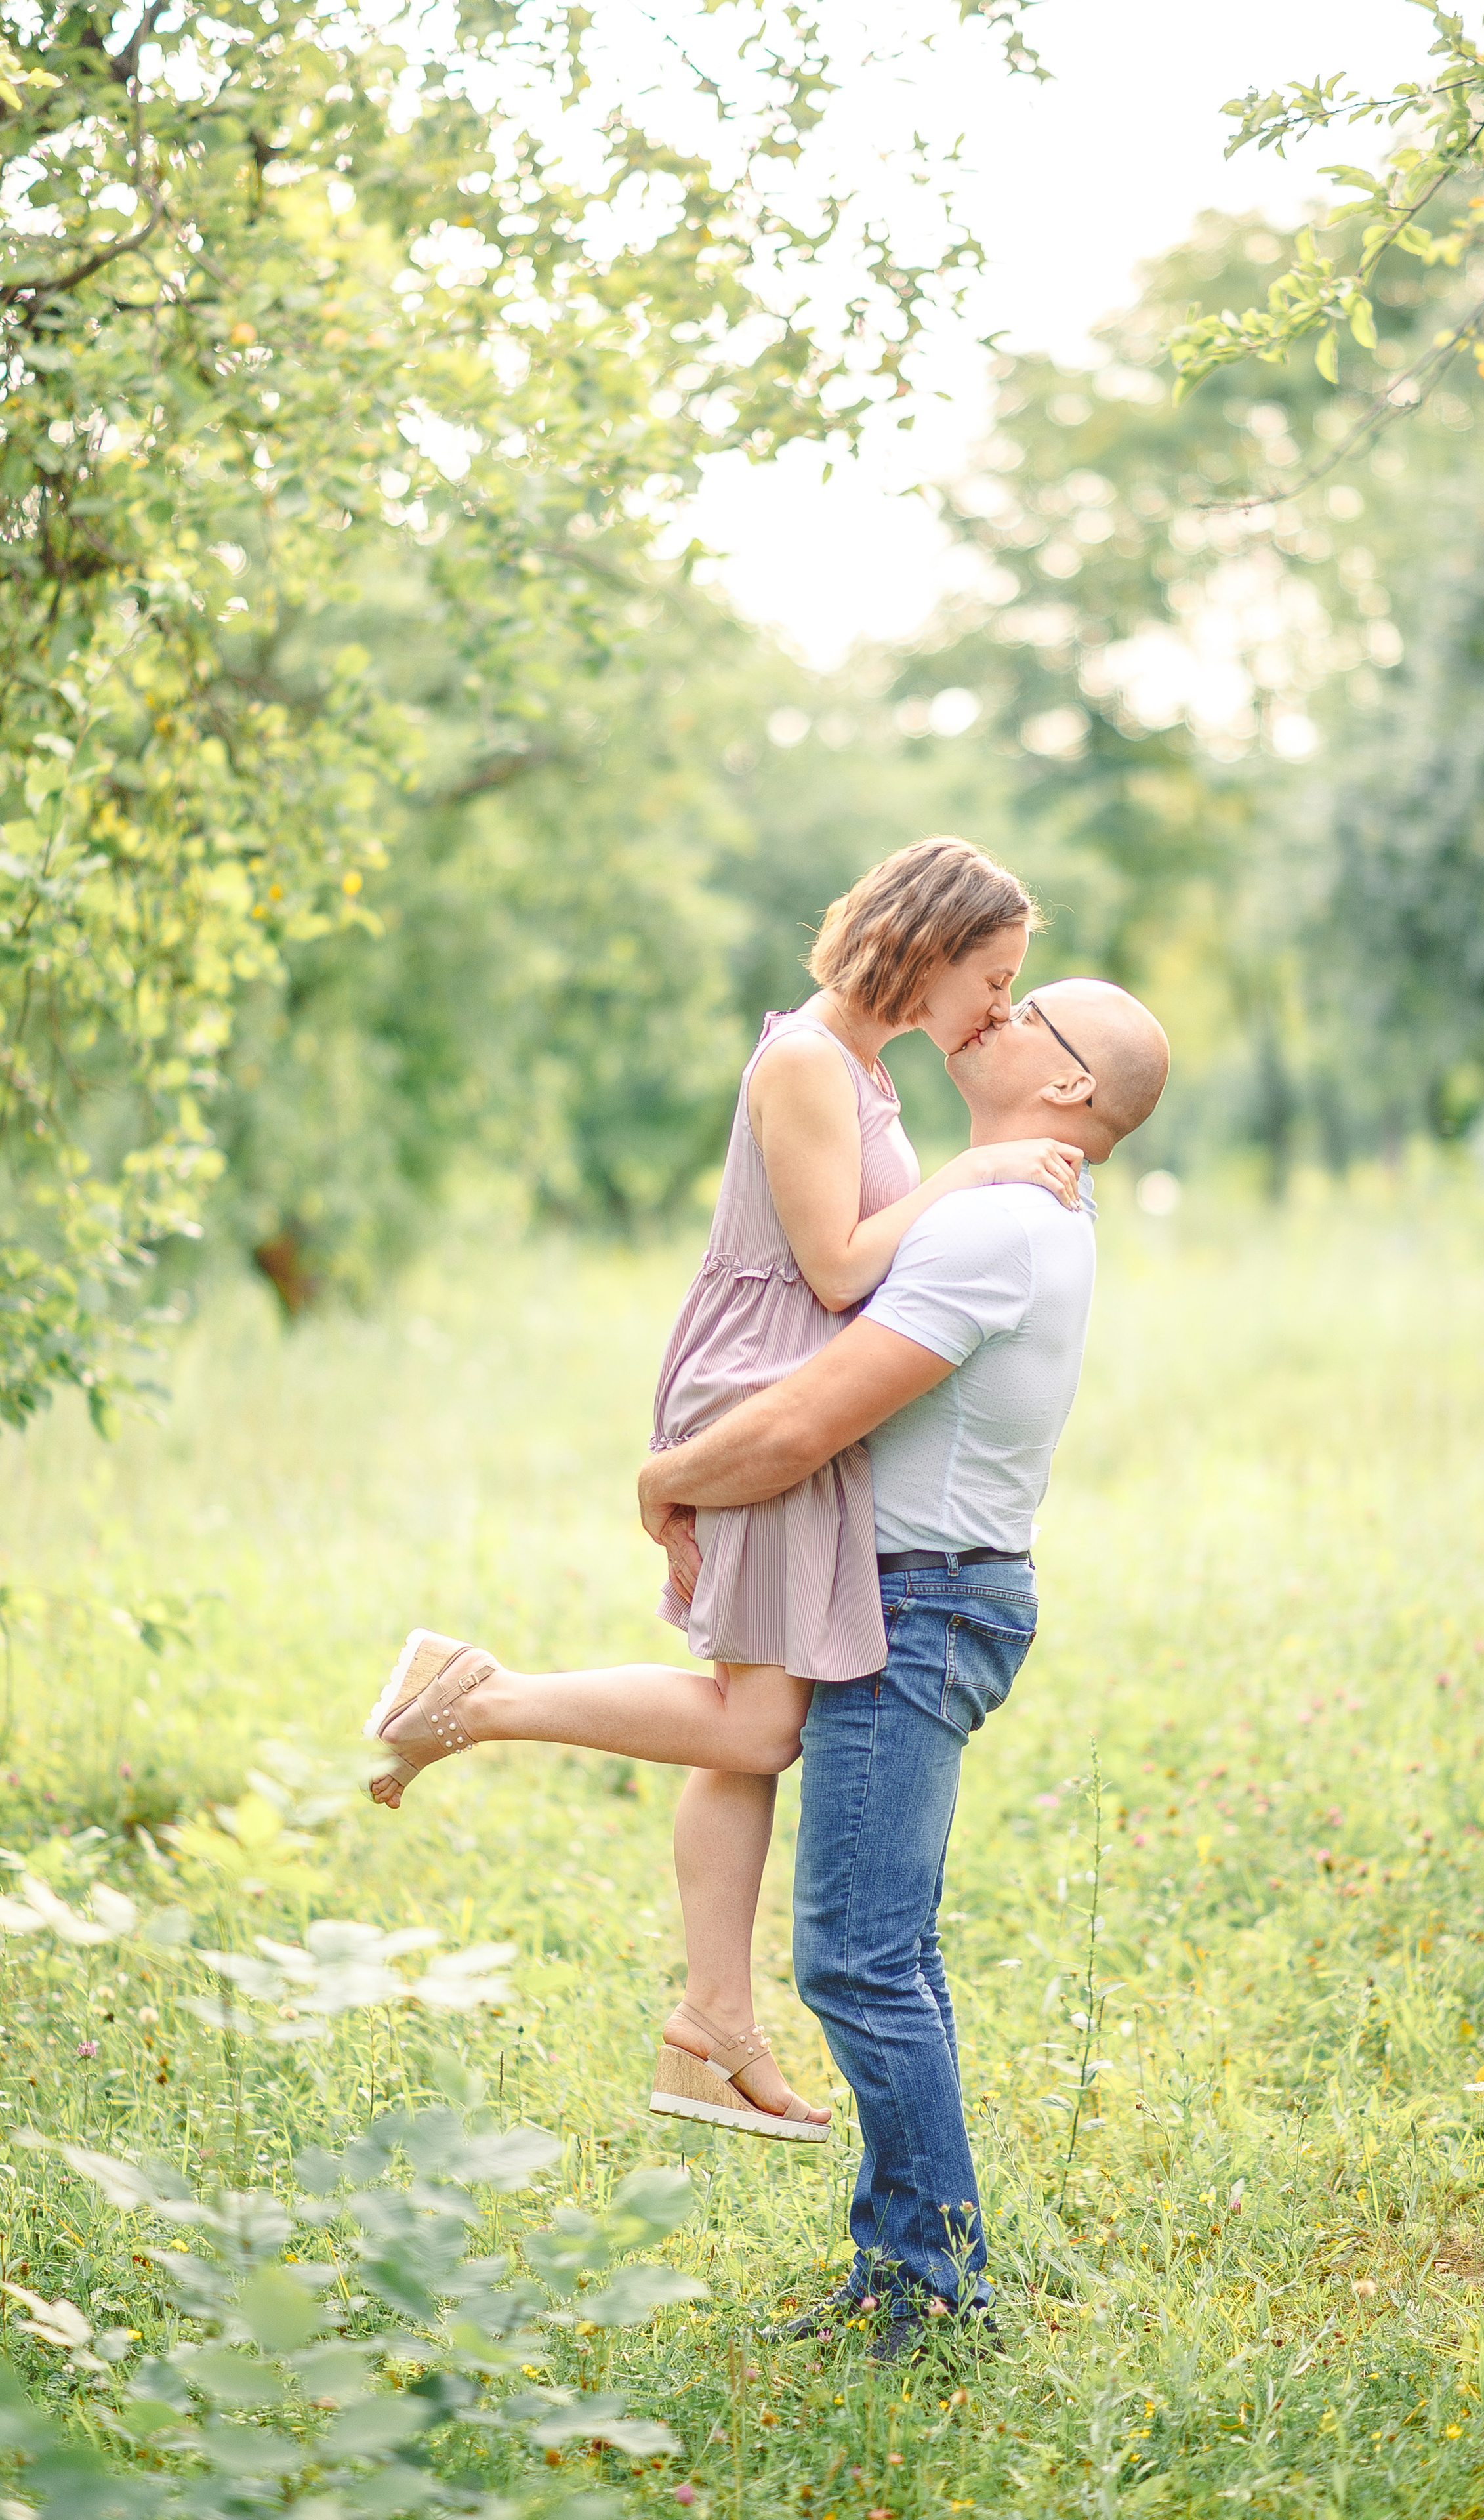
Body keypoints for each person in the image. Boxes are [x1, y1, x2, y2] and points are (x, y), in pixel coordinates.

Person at [363, 838, 1084, 2142]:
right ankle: (473, 1696)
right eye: (993, 976)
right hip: (759, 1396)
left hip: (782, 1396)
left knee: (748, 1714)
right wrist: (969, 1175)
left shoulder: (859, 1068)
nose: (995, 1009)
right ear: (924, 947)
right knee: (756, 1725)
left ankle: (711, 2026)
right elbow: (835, 1268)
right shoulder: (809, 1059)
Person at [636, 976, 1170, 2357]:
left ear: (1066, 1088)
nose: (991, 1014)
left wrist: (667, 1474)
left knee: (860, 1963)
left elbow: (807, 1419)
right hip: (926, 1592)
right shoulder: (998, 1199)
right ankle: (905, 2266)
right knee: (880, 1952)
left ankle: (930, 2293)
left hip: (918, 1604)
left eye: (1025, 1010)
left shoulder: (998, 1222)